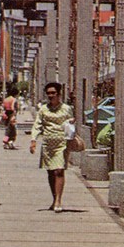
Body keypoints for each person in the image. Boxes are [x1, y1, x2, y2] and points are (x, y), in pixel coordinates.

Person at [30, 82, 74, 212]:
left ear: (59, 94)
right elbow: (37, 125)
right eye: (48, 93)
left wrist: (71, 123)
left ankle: (58, 200)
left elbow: (71, 122)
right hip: (48, 143)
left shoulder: (66, 108)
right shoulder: (43, 109)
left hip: (61, 143)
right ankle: (54, 198)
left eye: (53, 93)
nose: (50, 95)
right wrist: (33, 140)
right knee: (50, 172)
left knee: (59, 170)